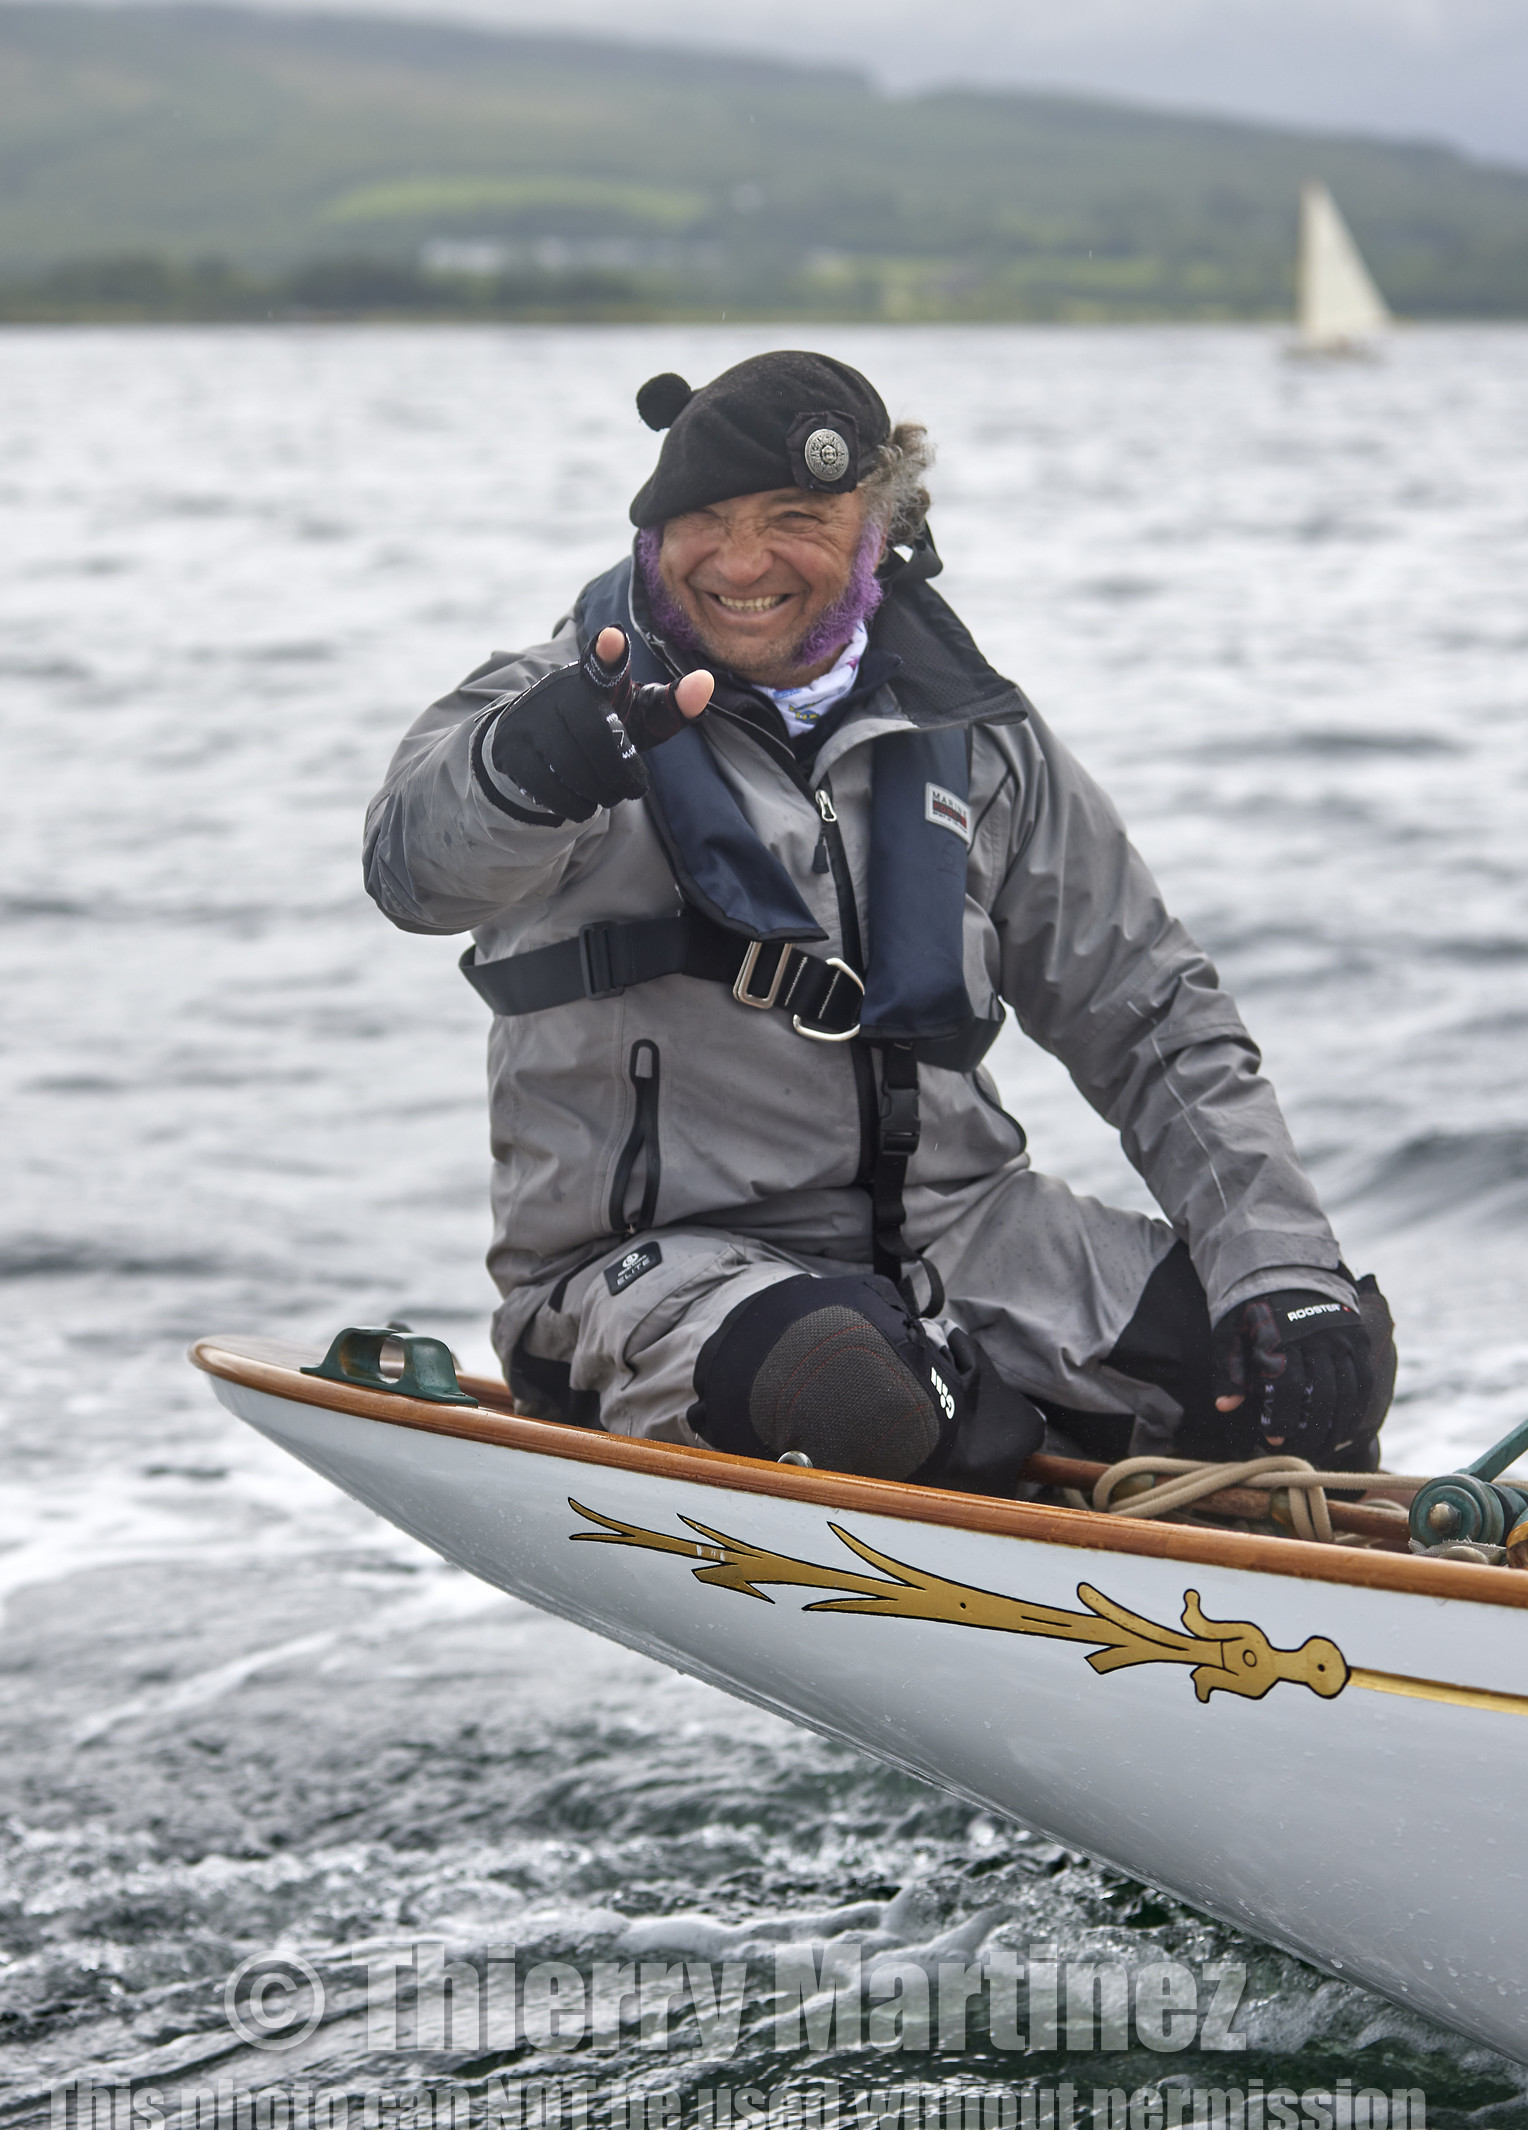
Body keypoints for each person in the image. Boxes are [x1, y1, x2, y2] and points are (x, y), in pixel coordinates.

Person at [364, 351, 1392, 1493]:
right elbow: (412, 871)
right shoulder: (563, 702)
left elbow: (1151, 1014)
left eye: (793, 518)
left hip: (973, 1235)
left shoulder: (984, 739)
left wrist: (1279, 1266)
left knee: (1309, 1362)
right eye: (701, 519)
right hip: (651, 1268)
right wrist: (526, 768)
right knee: (856, 1393)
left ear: (878, 530)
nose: (741, 561)